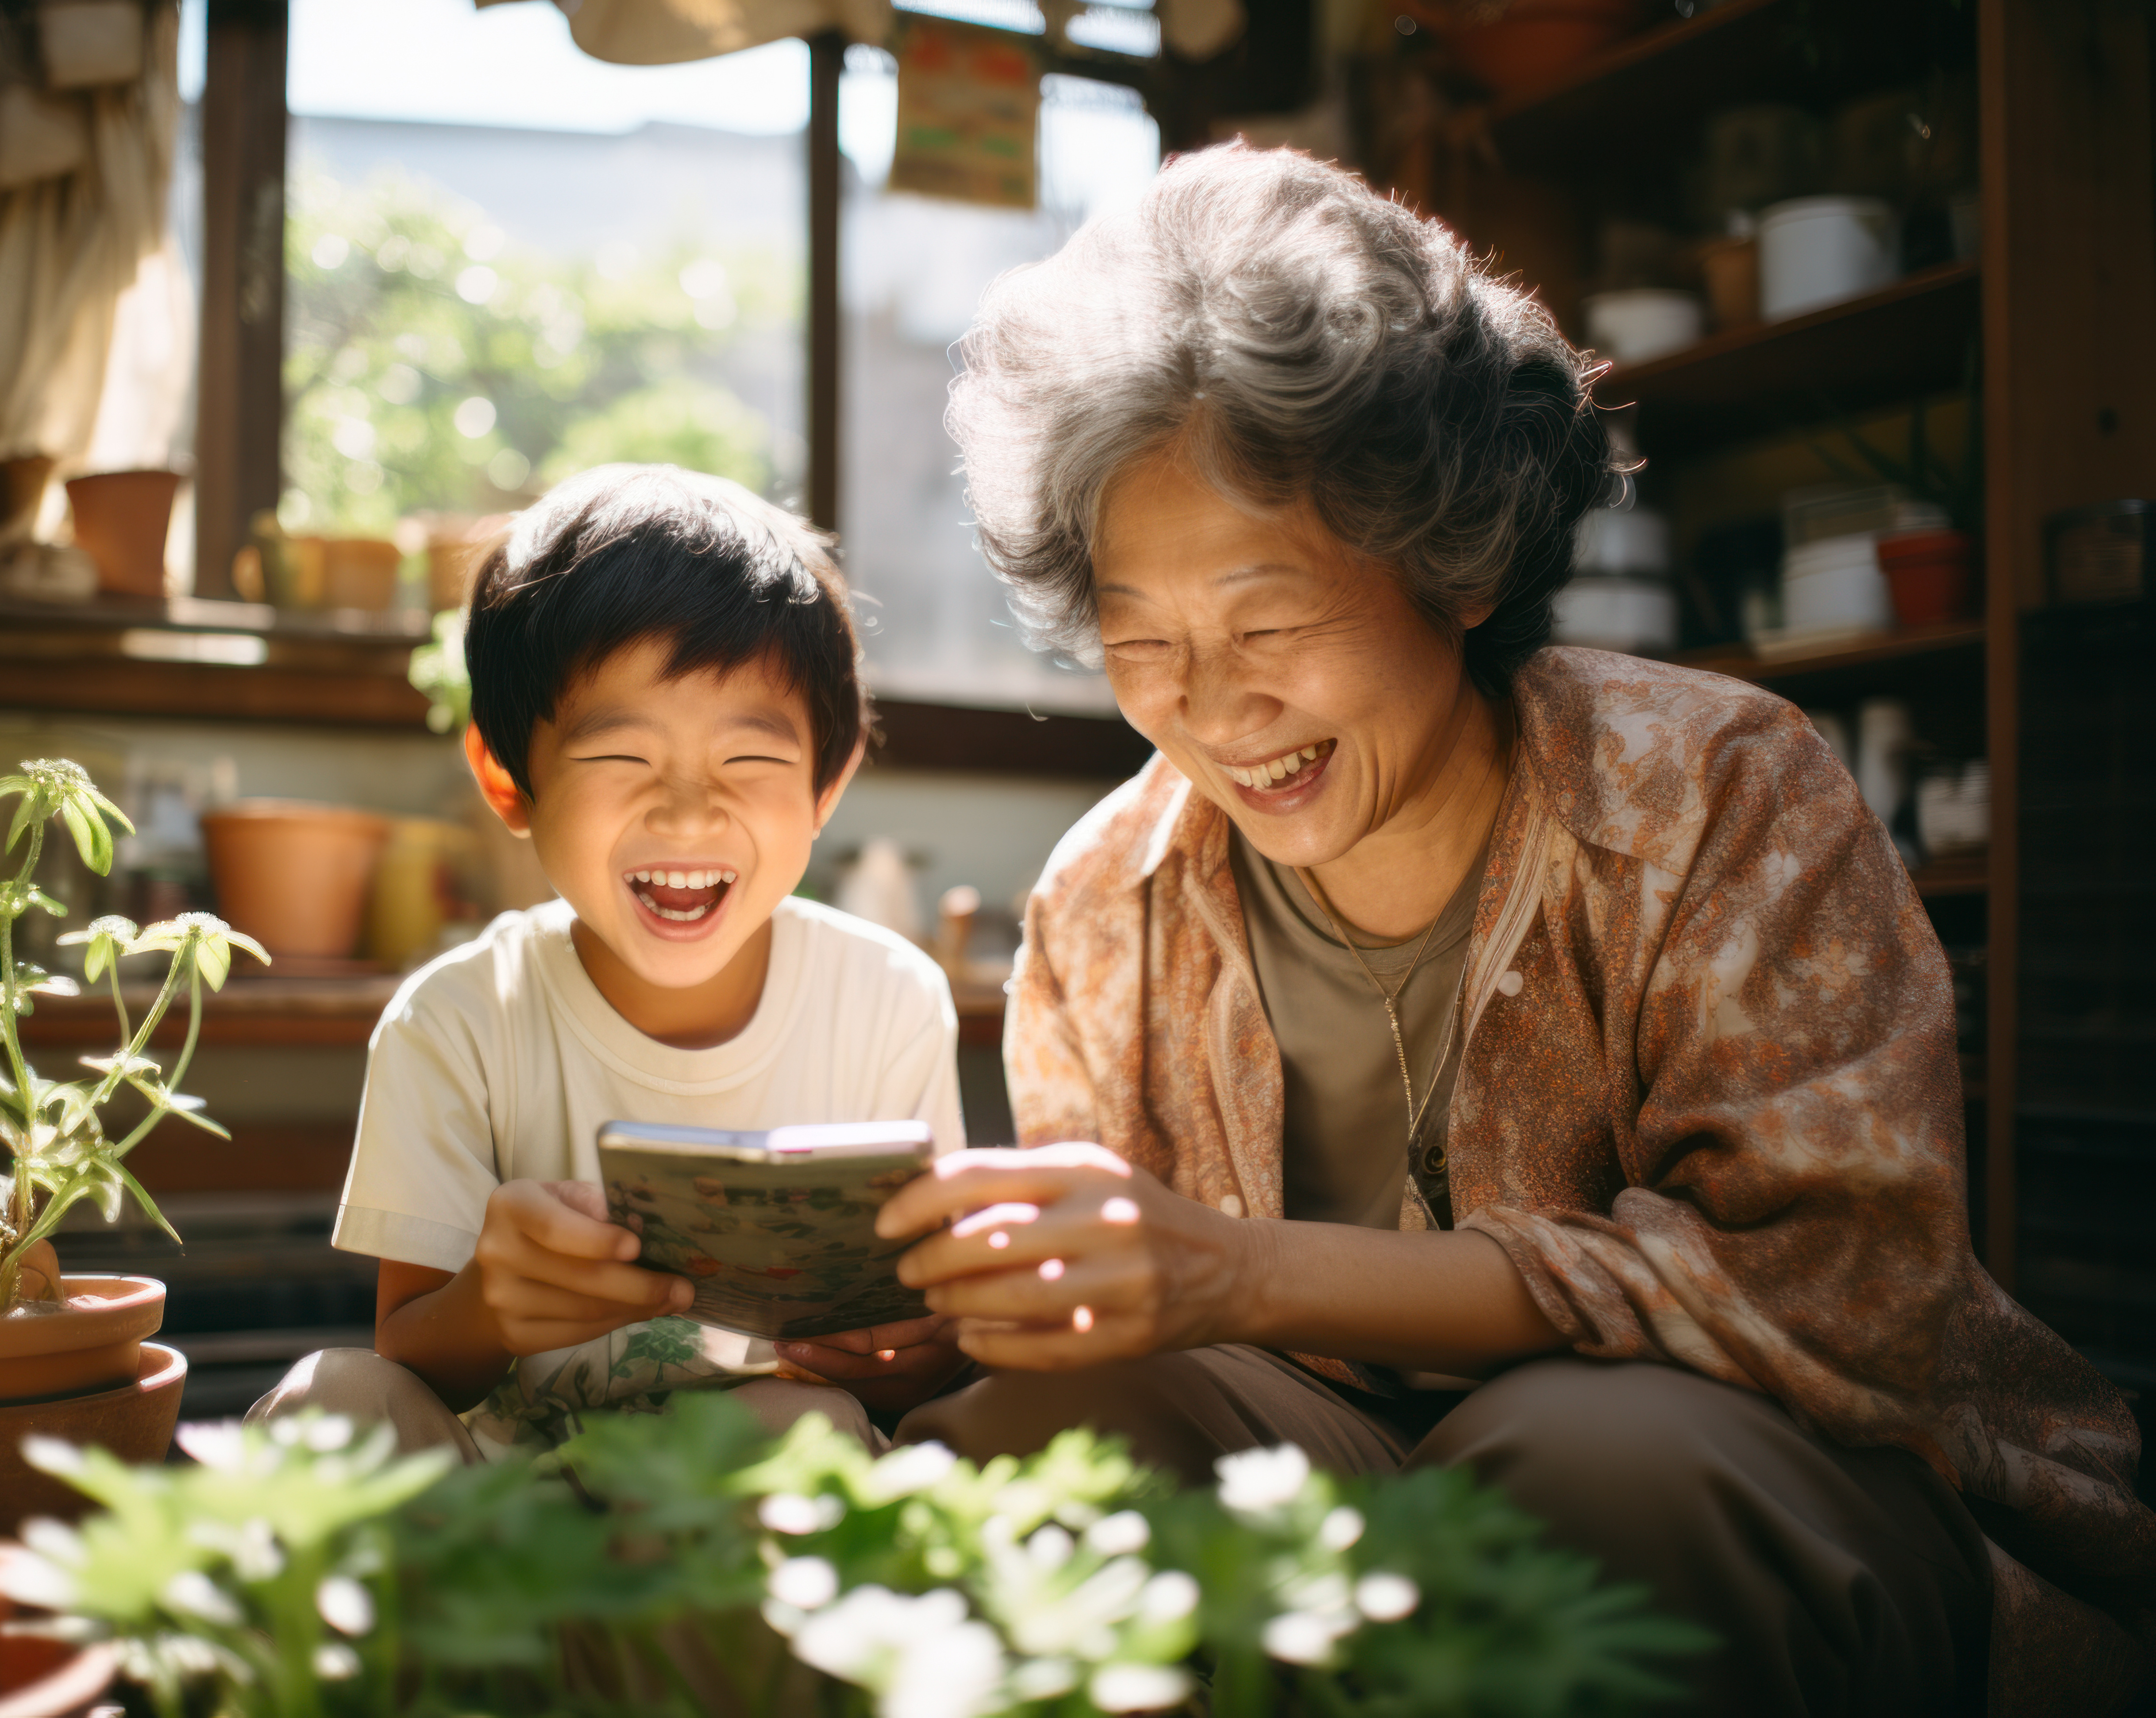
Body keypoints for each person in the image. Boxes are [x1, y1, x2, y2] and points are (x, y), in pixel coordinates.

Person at [773, 146, 2149, 1715]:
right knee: (1028, 1452)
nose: (1215, 712)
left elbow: (1836, 1284)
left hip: (1762, 1461)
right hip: (1319, 1457)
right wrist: (951, 1338)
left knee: (1577, 1483)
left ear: (1456, 562)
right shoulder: (1108, 898)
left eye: (1269, 621)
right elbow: (1136, 1340)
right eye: (1142, 642)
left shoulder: (1712, 794)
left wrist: (1240, 1273)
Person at [249, 464, 966, 1459]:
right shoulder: (455, 1020)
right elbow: (406, 1356)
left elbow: (920, 1344)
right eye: (620, 757)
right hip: (501, 1522)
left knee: (808, 1426)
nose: (686, 812)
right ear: (508, 778)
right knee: (329, 1399)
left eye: (749, 761)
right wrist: (495, 1304)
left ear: (826, 785)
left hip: (723, 1530)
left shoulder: (887, 1001)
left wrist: (916, 1354)